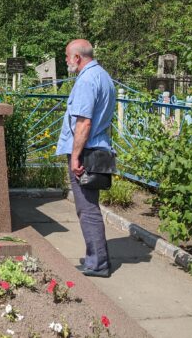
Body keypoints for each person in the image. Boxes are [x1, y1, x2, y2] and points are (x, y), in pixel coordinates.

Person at [55, 39, 116, 277]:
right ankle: (97, 258)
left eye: (68, 57)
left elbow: (84, 122)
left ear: (77, 58)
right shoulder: (103, 76)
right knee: (90, 205)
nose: (67, 62)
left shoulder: (87, 80)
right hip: (97, 148)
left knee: (87, 208)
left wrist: (75, 157)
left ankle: (97, 263)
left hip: (86, 152)